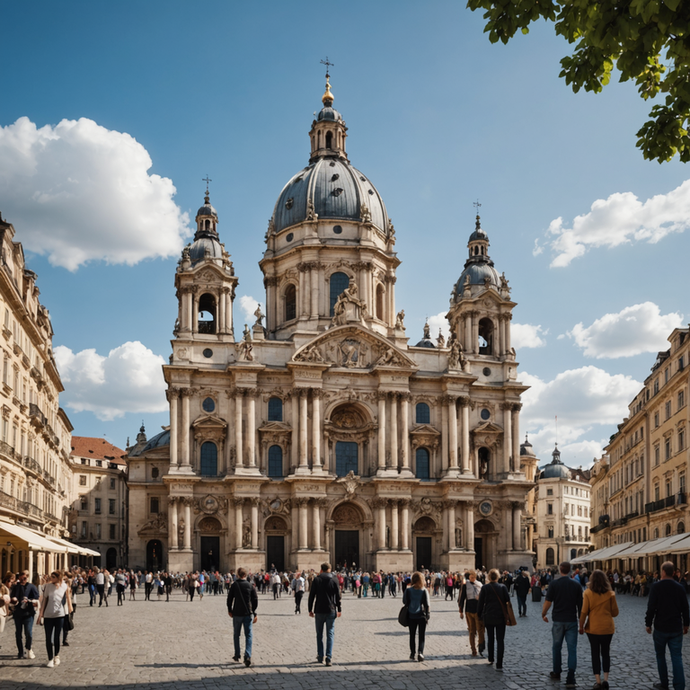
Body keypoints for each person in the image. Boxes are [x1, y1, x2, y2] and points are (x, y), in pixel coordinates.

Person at [646, 560, 690, 690]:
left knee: (660, 656)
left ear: (663, 572)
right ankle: (679, 686)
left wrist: (648, 623)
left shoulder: (656, 587)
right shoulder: (680, 587)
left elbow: (651, 607)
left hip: (661, 627)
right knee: (677, 657)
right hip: (676, 627)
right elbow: (685, 608)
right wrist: (686, 624)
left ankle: (664, 683)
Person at [543, 561, 583, 688]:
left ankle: (556, 671)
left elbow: (548, 601)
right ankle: (571, 676)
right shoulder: (576, 585)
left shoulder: (554, 584)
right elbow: (580, 606)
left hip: (558, 620)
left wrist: (543, 613)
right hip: (571, 620)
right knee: (572, 649)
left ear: (560, 570)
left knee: (556, 647)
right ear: (570, 570)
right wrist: (581, 623)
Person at [579, 569, 619, 690]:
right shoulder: (610, 594)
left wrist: (581, 626)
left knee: (595, 653)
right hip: (607, 627)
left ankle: (598, 681)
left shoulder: (587, 593)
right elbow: (615, 613)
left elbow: (584, 612)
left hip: (593, 628)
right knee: (606, 653)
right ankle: (606, 679)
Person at [308, 562, 342, 666]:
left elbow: (311, 595)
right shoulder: (334, 579)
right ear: (330, 569)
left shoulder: (317, 580)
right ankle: (328, 657)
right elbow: (338, 596)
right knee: (330, 633)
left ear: (321, 570)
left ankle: (320, 655)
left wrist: (310, 609)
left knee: (319, 634)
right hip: (331, 610)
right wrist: (339, 609)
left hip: (319, 610)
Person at [37, 570, 72, 668]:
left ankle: (56, 655)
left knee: (57, 637)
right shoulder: (47, 586)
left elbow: (68, 597)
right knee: (48, 638)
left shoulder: (64, 586)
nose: (51, 578)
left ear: (58, 578)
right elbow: (44, 600)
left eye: (53, 577)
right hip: (48, 615)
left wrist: (70, 609)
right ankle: (50, 659)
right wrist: (41, 614)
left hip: (59, 615)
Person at [477, 568, 510, 671]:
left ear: (488, 577)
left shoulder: (485, 588)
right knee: (500, 640)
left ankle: (491, 658)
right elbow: (508, 602)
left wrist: (479, 615)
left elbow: (481, 603)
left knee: (490, 638)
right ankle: (499, 663)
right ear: (498, 577)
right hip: (501, 617)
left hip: (489, 616)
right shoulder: (503, 587)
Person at [227, 567, 258, 667]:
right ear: (246, 575)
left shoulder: (234, 585)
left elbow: (229, 599)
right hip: (247, 614)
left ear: (238, 575)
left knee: (236, 635)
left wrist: (230, 610)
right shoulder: (250, 586)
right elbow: (255, 600)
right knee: (248, 635)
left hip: (237, 614)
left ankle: (237, 654)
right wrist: (254, 611)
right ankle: (247, 656)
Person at [9, 569, 39, 659]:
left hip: (28, 613)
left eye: (25, 577)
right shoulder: (15, 587)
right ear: (19, 577)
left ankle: (28, 648)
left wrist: (29, 601)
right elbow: (10, 598)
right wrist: (13, 600)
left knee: (28, 633)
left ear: (27, 577)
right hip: (18, 613)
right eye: (22, 577)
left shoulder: (32, 587)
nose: (23, 579)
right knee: (18, 633)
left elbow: (37, 598)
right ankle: (20, 652)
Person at [403, 571, 430, 662]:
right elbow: (427, 604)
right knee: (421, 636)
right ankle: (420, 652)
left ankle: (412, 653)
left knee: (412, 635)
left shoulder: (408, 590)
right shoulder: (424, 590)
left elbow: (404, 601)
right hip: (421, 615)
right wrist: (428, 615)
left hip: (411, 615)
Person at [459, 569, 485, 656]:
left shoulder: (480, 585)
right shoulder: (465, 585)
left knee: (480, 630)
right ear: (469, 577)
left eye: (474, 577)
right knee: (472, 631)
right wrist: (461, 611)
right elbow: (462, 598)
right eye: (471, 577)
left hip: (478, 611)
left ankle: (480, 646)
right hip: (469, 610)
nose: (472, 579)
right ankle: (473, 650)